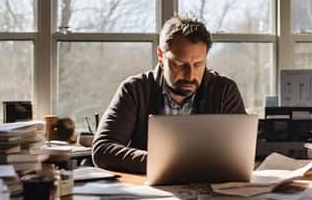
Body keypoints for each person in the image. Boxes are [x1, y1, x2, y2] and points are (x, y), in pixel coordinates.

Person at [92, 14, 246, 174]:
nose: (190, 75)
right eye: (180, 64)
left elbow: (242, 151)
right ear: (161, 56)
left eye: (198, 64)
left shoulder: (224, 90)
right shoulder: (134, 89)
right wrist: (167, 164)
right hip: (150, 193)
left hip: (211, 193)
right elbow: (103, 150)